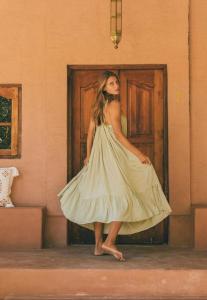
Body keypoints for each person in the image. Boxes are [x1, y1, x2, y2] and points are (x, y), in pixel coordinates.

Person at [57, 70, 172, 262]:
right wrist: (139, 154)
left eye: (116, 82)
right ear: (104, 87)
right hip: (111, 157)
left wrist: (89, 156)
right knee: (123, 198)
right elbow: (118, 135)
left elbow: (90, 133)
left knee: (100, 198)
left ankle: (97, 246)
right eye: (111, 83)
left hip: (98, 158)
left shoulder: (97, 106)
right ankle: (109, 242)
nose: (116, 86)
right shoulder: (115, 104)